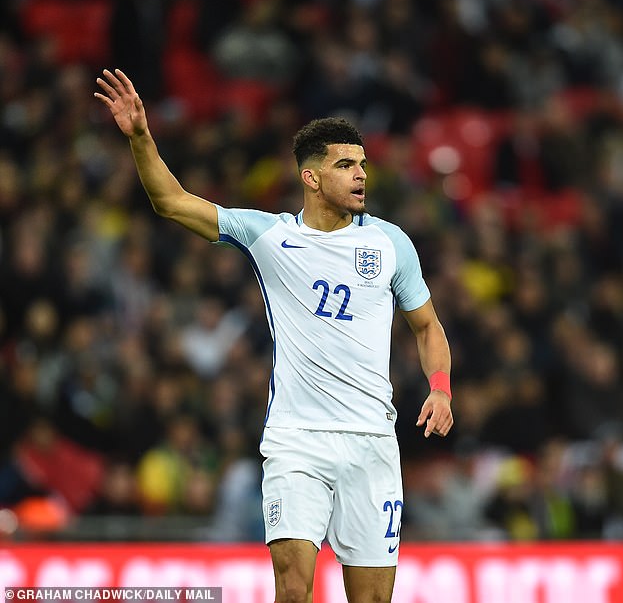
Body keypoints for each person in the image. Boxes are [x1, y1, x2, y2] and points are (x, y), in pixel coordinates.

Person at [95, 68, 453, 603]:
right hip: (296, 440)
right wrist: (142, 137)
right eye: (345, 165)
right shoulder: (271, 237)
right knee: (293, 584)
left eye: (363, 165)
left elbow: (426, 326)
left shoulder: (390, 243)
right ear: (311, 178)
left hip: (372, 442)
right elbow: (171, 202)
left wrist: (442, 387)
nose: (361, 176)